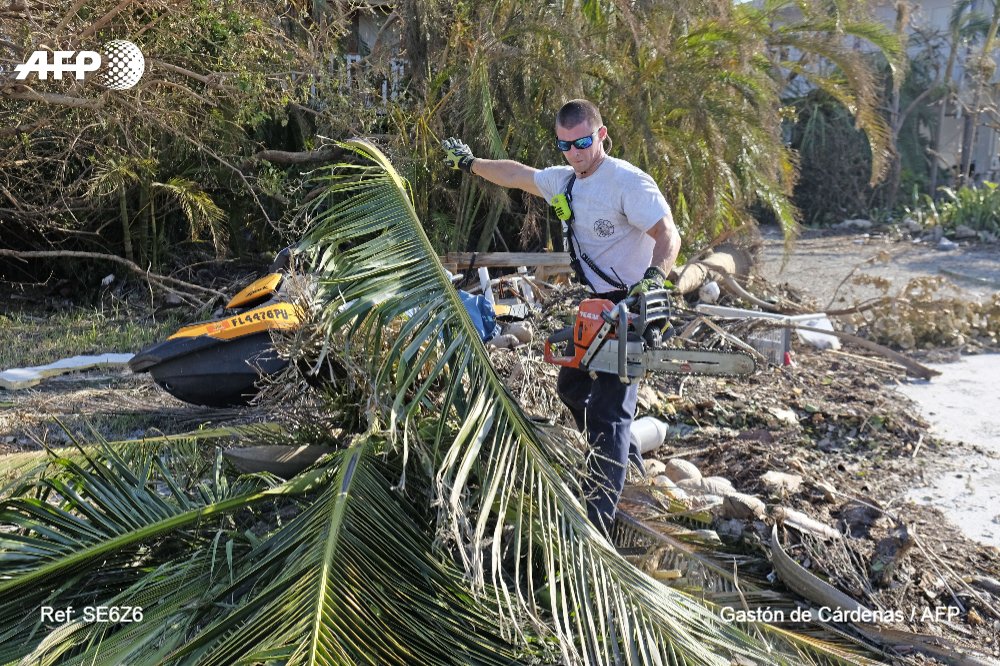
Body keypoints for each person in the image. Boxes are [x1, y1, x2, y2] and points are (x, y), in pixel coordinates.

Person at [442, 99, 681, 534]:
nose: (576, 153)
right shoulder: (564, 182)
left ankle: (598, 522)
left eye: (584, 143)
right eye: (566, 145)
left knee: (609, 411)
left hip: (634, 306)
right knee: (571, 385)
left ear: (601, 136)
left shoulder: (627, 182)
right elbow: (515, 174)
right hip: (595, 306)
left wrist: (655, 281)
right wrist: (471, 162)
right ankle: (621, 459)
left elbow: (669, 234)